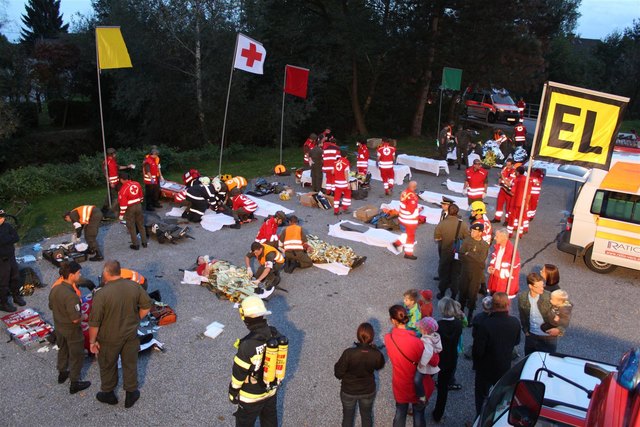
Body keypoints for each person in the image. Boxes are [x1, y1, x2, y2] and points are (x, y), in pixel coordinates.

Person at [88, 260, 152, 408]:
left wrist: (92, 342)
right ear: (119, 271)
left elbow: (94, 323)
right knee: (130, 364)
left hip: (109, 338)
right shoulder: (134, 286)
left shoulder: (101, 294)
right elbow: (146, 305)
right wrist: (136, 319)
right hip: (130, 335)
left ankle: (108, 393)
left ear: (106, 273)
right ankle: (131, 393)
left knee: (107, 365)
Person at [229, 296, 283, 426]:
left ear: (245, 317)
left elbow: (239, 373)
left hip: (250, 396)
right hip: (270, 391)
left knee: (245, 423)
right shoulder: (275, 334)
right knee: (270, 420)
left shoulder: (247, 344)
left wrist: (233, 392)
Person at [472, 292, 521, 415]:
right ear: (508, 304)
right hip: (504, 366)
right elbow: (517, 341)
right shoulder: (515, 322)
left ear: (492, 305)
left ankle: (480, 420)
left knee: (481, 396)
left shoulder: (485, 324)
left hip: (485, 368)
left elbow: (478, 350)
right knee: (500, 398)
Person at [384, 305, 433, 427]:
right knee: (419, 414)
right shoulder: (418, 342)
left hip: (401, 384)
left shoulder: (388, 338)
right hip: (418, 385)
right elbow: (434, 361)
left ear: (393, 320)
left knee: (400, 413)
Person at [48, 261, 91, 395]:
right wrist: (84, 316)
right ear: (71, 275)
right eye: (78, 273)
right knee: (77, 355)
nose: (80, 275)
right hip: (72, 330)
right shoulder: (71, 296)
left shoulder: (56, 288)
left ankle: (62, 372)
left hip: (59, 327)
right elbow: (75, 318)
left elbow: (51, 306)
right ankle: (75, 383)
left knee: (63, 349)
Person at [334, 322, 386, 427]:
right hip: (368, 390)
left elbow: (338, 373)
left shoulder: (348, 353)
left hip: (349, 390)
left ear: (358, 335)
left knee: (348, 417)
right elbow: (379, 366)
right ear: (372, 337)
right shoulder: (376, 354)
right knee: (366, 416)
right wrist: (374, 350)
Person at [432, 297, 464, 423]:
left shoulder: (438, 325)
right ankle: (438, 414)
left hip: (438, 357)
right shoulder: (458, 324)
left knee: (427, 378)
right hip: (451, 358)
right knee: (443, 388)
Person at [517, 273, 563, 355]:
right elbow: (522, 315)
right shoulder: (522, 297)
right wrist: (525, 330)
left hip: (548, 338)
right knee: (529, 360)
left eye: (542, 285)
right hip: (531, 337)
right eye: (538, 286)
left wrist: (560, 330)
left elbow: (563, 313)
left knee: (547, 362)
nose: (542, 288)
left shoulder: (549, 296)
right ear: (530, 286)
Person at [434, 204, 469, 299]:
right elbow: (467, 239)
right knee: (456, 274)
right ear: (457, 212)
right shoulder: (463, 224)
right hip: (457, 253)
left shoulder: (442, 224)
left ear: (448, 211)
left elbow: (437, 238)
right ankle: (454, 294)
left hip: (445, 252)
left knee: (444, 273)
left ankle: (442, 293)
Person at [458, 222, 490, 322]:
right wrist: (469, 256)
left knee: (473, 294)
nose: (472, 232)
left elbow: (481, 259)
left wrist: (469, 254)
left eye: (474, 231)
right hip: (465, 270)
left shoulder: (484, 245)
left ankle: (470, 314)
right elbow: (461, 255)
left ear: (480, 233)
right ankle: (461, 312)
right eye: (472, 230)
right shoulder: (467, 241)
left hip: (476, 273)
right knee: (462, 292)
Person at [0, 209, 25, 312]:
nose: (3, 219)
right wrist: (7, 239)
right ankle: (3, 303)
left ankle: (16, 296)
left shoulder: (7, 226)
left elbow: (16, 238)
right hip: (1, 259)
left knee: (15, 277)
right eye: (1, 217)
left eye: (3, 217)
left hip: (11, 256)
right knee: (3, 282)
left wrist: (4, 240)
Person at [414, 317, 442, 404]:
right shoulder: (435, 336)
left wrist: (421, 364)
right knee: (424, 379)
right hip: (431, 362)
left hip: (425, 365)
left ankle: (422, 397)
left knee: (417, 380)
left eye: (420, 328)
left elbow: (428, 353)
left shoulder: (426, 340)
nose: (419, 329)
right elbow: (439, 348)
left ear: (425, 331)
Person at [117, 172, 148, 250]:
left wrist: (121, 215)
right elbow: (141, 196)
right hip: (138, 206)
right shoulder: (137, 184)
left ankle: (135, 245)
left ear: (121, 180)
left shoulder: (123, 190)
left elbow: (123, 205)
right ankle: (144, 242)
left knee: (131, 226)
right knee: (141, 224)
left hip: (130, 208)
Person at [487, 229, 520, 298]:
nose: (495, 238)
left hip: (503, 285)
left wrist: (495, 272)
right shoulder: (498, 247)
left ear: (504, 237)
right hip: (496, 280)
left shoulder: (512, 253)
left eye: (497, 236)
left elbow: (513, 271)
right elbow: (494, 260)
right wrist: (491, 267)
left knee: (500, 305)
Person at [101, 147, 134, 217]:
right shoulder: (106, 162)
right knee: (113, 196)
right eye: (114, 153)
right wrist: (110, 182)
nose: (115, 154)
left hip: (117, 182)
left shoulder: (113, 160)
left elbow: (118, 167)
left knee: (119, 194)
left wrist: (127, 166)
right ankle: (110, 211)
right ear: (111, 154)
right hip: (112, 183)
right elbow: (105, 173)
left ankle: (119, 208)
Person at [393, 181, 421, 260]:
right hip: (409, 220)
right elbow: (411, 210)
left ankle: (397, 243)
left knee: (406, 234)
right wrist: (418, 210)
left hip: (402, 218)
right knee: (410, 237)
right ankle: (408, 254)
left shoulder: (404, 192)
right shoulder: (412, 196)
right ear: (415, 187)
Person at [507, 166, 530, 238]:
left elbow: (512, 192)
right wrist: (527, 203)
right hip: (523, 202)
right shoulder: (527, 180)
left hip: (515, 202)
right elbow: (529, 193)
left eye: (515, 172)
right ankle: (520, 234)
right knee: (521, 218)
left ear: (518, 172)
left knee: (512, 218)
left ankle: (509, 233)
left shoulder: (516, 180)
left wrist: (506, 190)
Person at [492, 159, 516, 224]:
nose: (507, 166)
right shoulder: (504, 169)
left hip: (509, 191)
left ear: (512, 165)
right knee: (499, 204)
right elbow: (501, 178)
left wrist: (502, 177)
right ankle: (497, 218)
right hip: (502, 189)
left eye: (509, 165)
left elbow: (509, 183)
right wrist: (500, 179)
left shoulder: (514, 172)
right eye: (507, 164)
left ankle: (507, 220)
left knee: (508, 207)